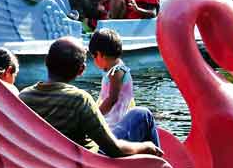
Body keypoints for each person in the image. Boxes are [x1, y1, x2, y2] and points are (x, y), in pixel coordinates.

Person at [19, 37, 162, 158]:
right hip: (90, 163)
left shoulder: (23, 97)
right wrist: (146, 147)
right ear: (81, 70)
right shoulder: (79, 99)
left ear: (46, 61)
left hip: (48, 163)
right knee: (143, 114)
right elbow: (114, 149)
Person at [88, 28, 162, 147]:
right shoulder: (114, 69)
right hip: (114, 118)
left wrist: (95, 115)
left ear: (101, 54)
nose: (94, 61)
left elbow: (112, 99)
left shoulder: (116, 72)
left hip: (116, 121)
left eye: (94, 57)